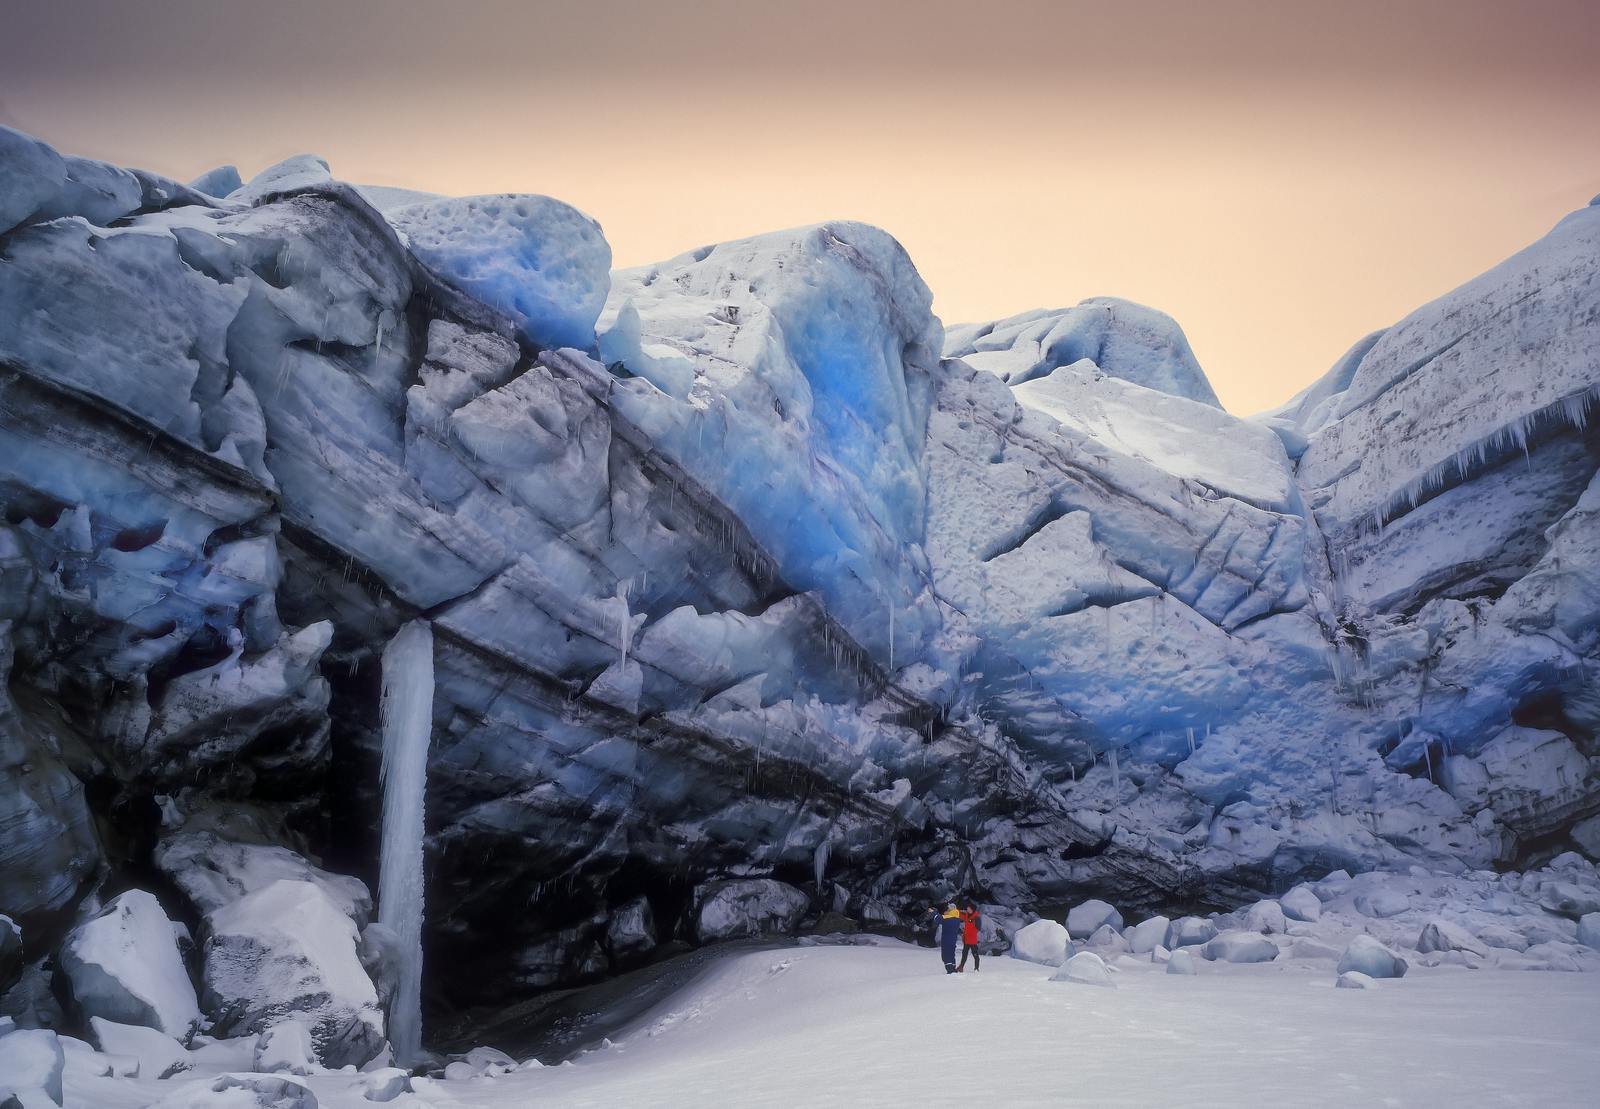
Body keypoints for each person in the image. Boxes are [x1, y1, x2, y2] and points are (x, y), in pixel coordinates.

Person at [929, 903, 962, 973]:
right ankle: (953, 969)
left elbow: (937, 918)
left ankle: (950, 970)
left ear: (950, 910)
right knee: (951, 954)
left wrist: (932, 912)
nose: (945, 911)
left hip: (946, 940)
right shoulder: (957, 919)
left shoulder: (947, 918)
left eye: (947, 909)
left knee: (946, 955)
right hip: (953, 940)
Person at [957, 903, 981, 972]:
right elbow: (960, 915)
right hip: (966, 939)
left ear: (972, 909)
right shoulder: (967, 915)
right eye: (967, 908)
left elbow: (978, 928)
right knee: (964, 954)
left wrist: (969, 933)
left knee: (975, 954)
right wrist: (954, 910)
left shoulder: (976, 917)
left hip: (972, 940)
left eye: (968, 908)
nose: (967, 909)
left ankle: (976, 968)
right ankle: (961, 967)